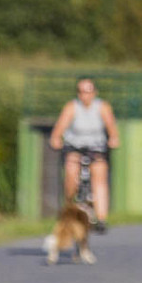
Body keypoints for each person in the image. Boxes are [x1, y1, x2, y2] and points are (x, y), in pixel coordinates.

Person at [48, 77, 119, 231]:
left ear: (94, 92)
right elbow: (59, 129)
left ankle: (101, 218)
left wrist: (113, 139)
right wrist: (56, 139)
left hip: (96, 147)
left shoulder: (102, 107)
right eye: (81, 92)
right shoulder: (71, 107)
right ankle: (69, 206)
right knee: (71, 175)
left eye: (88, 91)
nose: (85, 95)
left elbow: (112, 128)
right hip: (75, 147)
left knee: (99, 178)